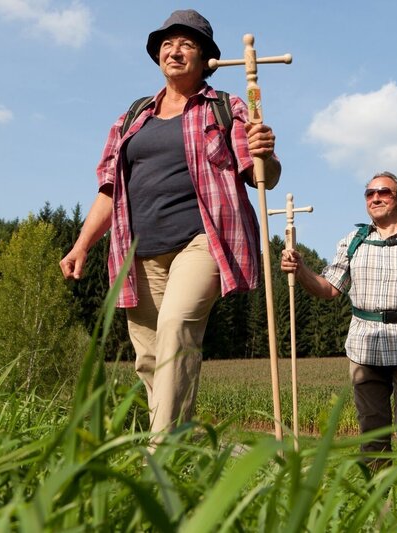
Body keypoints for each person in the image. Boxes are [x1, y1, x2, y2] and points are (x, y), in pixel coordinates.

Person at [59, 9, 280, 436]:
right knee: (149, 358)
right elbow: (109, 188)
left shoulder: (223, 108)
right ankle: (184, 442)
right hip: (137, 252)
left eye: (186, 44)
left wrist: (265, 153)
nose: (174, 51)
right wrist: (83, 243)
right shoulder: (131, 118)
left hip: (203, 242)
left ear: (206, 59)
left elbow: (259, 177)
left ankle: (158, 455)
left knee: (176, 328)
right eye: (166, 44)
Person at [280, 171, 397, 480]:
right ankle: (377, 506)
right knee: (372, 435)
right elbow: (329, 288)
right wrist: (301, 268)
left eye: (383, 192)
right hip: (365, 347)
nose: (375, 197)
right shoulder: (353, 241)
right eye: (369, 193)